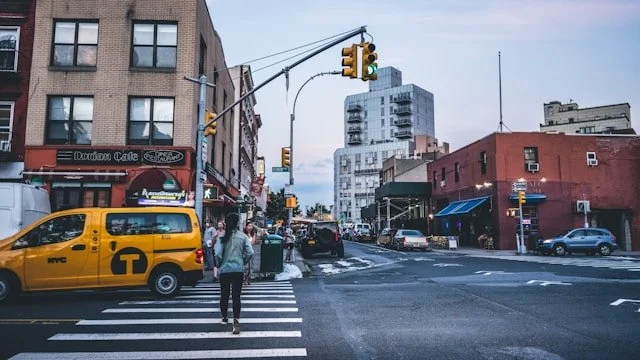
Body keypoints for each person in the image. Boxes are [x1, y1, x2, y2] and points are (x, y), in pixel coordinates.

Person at [214, 213, 254, 335]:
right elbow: (250, 252)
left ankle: (225, 318)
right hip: (238, 270)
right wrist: (243, 261)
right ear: (238, 223)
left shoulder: (222, 237)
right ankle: (236, 321)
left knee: (224, 295)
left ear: (225, 223)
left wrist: (220, 264)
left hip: (225, 270)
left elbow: (217, 254)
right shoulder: (242, 237)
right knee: (236, 296)